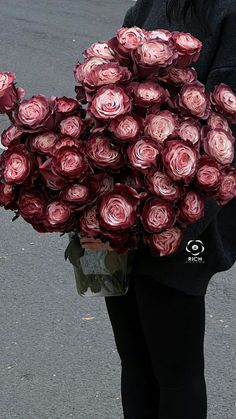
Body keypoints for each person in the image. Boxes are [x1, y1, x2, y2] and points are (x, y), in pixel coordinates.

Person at [80, 1, 236, 417]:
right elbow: (107, 100)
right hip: (121, 217)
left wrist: (171, 229)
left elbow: (230, 138)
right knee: (135, 363)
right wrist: (89, 203)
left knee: (176, 371)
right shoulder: (148, 6)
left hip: (190, 228)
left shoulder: (226, 13)